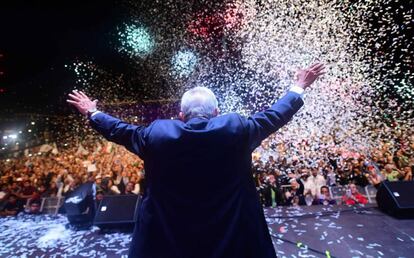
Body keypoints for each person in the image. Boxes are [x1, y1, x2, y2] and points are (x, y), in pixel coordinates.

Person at [67, 63, 325, 258]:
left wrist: (92, 111)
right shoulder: (235, 129)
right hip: (234, 240)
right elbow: (274, 115)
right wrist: (299, 86)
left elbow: (120, 130)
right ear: (216, 112)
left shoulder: (157, 135)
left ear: (180, 115)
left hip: (168, 241)